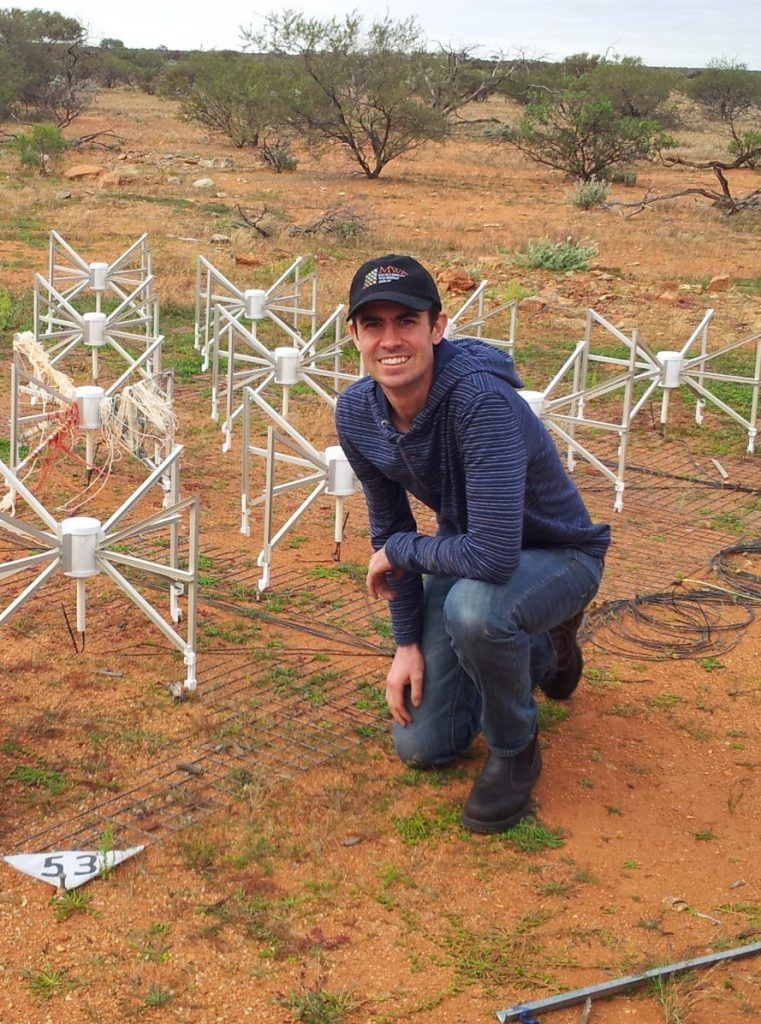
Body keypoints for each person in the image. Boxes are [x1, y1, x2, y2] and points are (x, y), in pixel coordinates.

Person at [335, 255, 610, 833]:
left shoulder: (479, 399)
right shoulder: (358, 413)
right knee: (425, 745)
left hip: (559, 556)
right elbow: (391, 529)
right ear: (354, 333)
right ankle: (545, 647)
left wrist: (404, 552)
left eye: (407, 322)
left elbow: (486, 556)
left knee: (476, 609)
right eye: (374, 324)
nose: (391, 340)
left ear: (437, 328)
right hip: (475, 554)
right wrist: (406, 644)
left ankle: (516, 750)